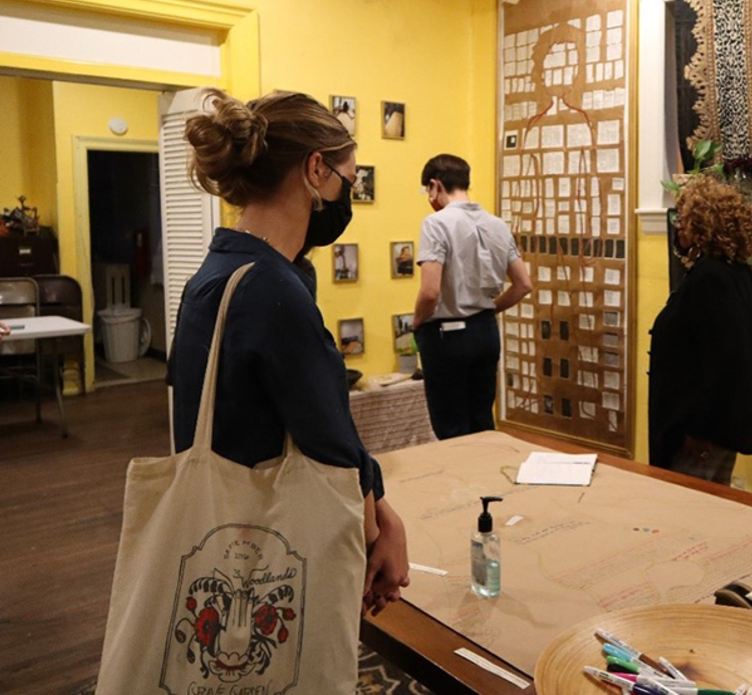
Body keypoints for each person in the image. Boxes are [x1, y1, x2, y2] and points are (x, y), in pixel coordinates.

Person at [168, 89, 409, 621]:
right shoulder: (272, 291)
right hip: (276, 555)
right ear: (316, 170)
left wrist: (383, 507)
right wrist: (379, 534)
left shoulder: (214, 275)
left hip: (223, 543)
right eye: (350, 179)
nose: (349, 194)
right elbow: (332, 452)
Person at [648, 175, 752, 484]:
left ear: (702, 226)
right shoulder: (736, 272)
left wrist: (698, 434)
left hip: (701, 434)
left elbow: (725, 363)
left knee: (689, 513)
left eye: (684, 221)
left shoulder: (711, 279)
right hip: (709, 428)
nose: (678, 228)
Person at [412, 154, 531, 439]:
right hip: (485, 333)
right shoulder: (497, 224)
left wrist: (416, 322)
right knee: (482, 425)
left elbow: (430, 291)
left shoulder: (436, 223)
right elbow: (523, 284)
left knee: (451, 429)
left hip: (446, 336)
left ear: (434, 185)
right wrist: (490, 309)